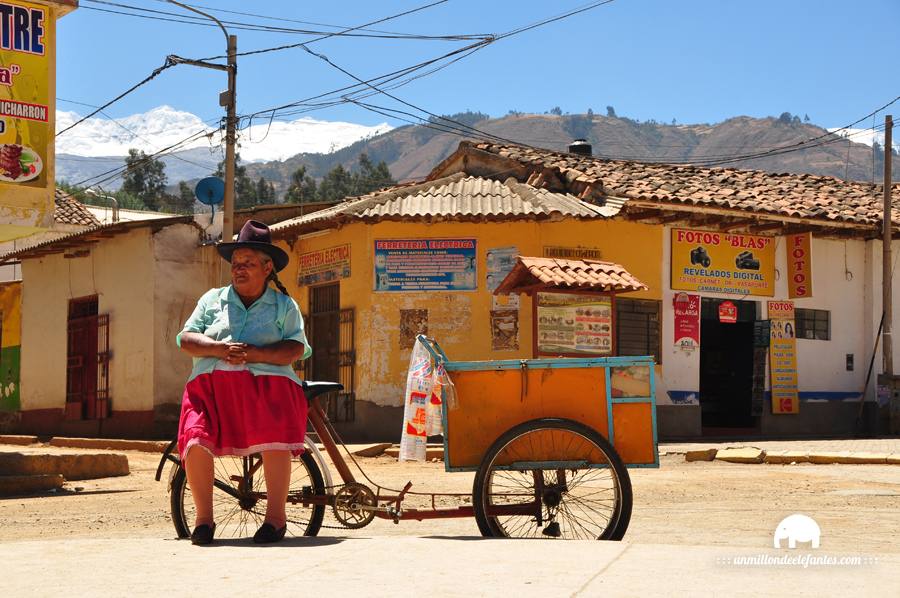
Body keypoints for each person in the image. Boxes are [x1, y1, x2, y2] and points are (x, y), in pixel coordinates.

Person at [176, 220, 311, 545]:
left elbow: (295, 348)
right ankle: (204, 521)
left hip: (267, 388)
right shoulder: (212, 300)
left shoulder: (283, 305)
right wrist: (219, 349)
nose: (239, 270)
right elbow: (186, 338)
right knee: (195, 438)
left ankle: (275, 520)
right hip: (210, 389)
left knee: (275, 437)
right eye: (236, 264)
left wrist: (255, 354)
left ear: (267, 268)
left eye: (248, 263)